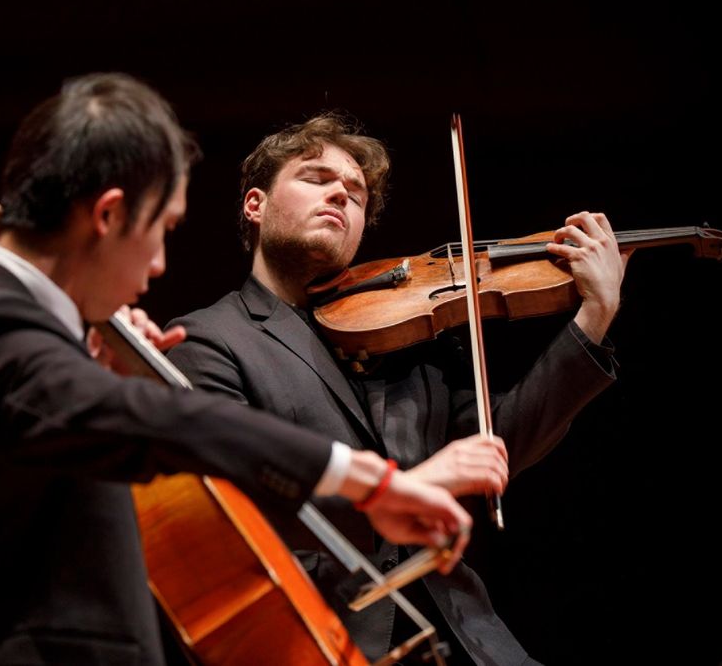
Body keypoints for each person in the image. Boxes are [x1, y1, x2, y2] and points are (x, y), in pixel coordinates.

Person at [0, 76, 473, 665]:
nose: (160, 265)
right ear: (108, 215)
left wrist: (95, 365)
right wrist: (366, 480)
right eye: (164, 231)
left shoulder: (14, 333)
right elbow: (158, 418)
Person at [166, 113, 628, 665]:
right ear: (256, 205)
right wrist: (412, 484)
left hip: (470, 639)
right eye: (316, 177)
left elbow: (500, 443)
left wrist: (594, 317)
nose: (340, 191)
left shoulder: (409, 338)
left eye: (356, 194)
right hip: (330, 636)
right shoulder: (210, 339)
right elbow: (240, 516)